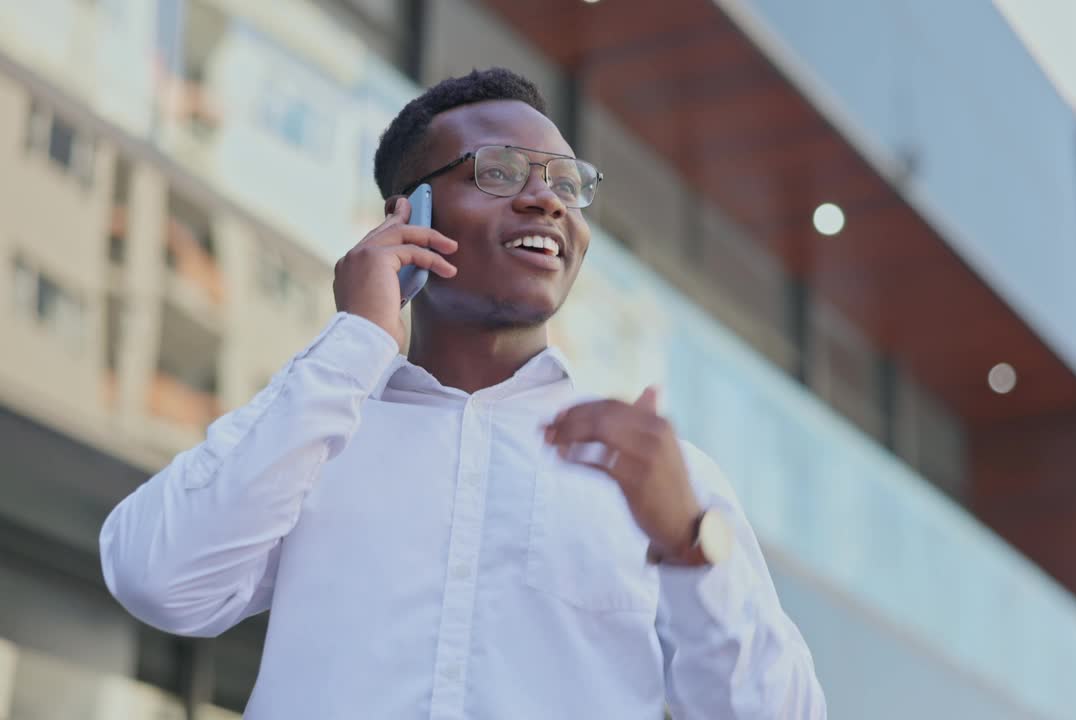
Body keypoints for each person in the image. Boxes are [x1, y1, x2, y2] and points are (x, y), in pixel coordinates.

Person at [100, 67, 826, 719]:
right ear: (405, 216)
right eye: (501, 172)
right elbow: (157, 580)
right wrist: (356, 339)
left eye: (568, 184)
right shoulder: (313, 433)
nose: (548, 201)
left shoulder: (666, 480)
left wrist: (689, 545)